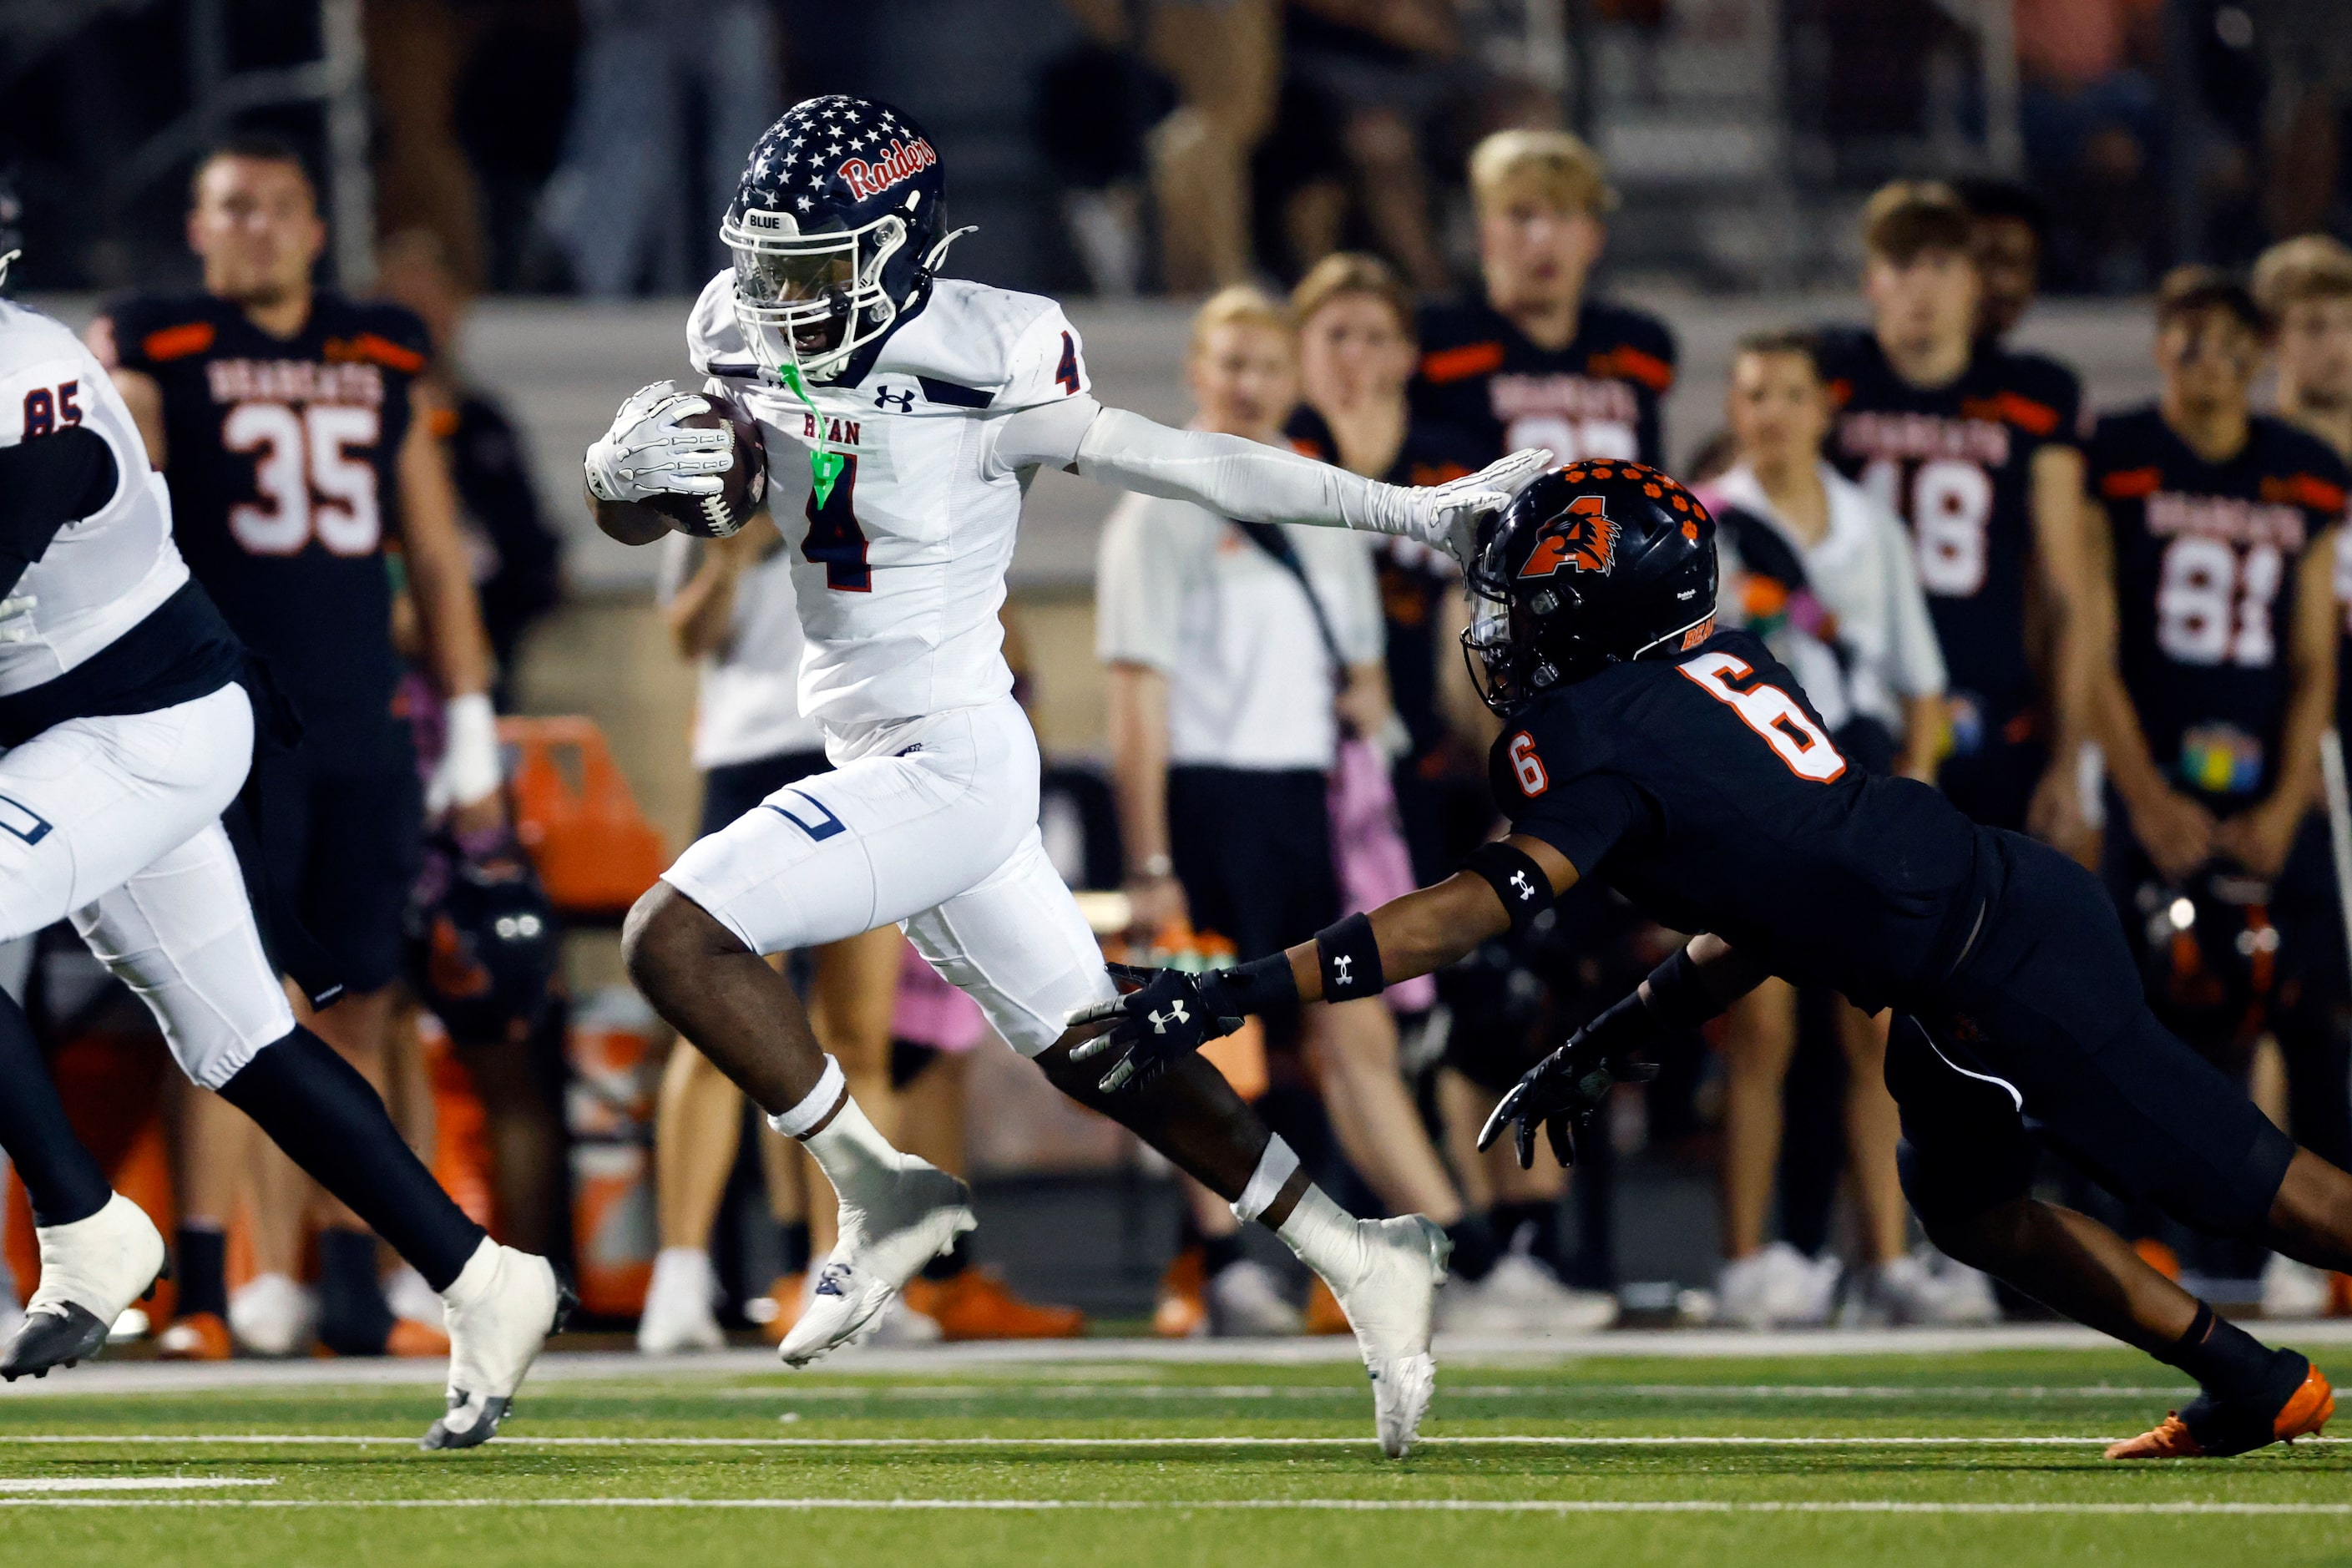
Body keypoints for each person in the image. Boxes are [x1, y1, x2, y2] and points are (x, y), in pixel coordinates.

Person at [593, 95, 1545, 1458]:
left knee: (670, 934)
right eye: (767, 265)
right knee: (1104, 1053)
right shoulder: (735, 322)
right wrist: (616, 480)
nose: (780, 300)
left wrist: (1406, 513)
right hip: (877, 746)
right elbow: (673, 505)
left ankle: (877, 1189)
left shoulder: (995, 345)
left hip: (956, 755)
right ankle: (1360, 1248)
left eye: (814, 269)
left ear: (902, 246)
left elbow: (1184, 462)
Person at [1085, 459, 2352, 1462]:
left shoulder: (1592, 730)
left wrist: (1236, 991)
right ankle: (2252, 1380)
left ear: (1590, 614)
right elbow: (1773, 905)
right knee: (1973, 1211)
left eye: (1525, 605)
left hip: (2007, 967)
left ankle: (2257, 1371)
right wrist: (1616, 1032)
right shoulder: (1714, 665)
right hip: (1972, 938)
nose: (1501, 633)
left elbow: (1470, 908)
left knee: (2270, 1192)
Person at [0, 213, 559, 1449]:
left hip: (146, 723)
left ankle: (86, 1227)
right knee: (243, 1041)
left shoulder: (26, 378)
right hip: (83, 733)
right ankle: (482, 1277)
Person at [89, 135, 511, 1361]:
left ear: (319, 227)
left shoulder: (377, 349)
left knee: (362, 1004)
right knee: (218, 1000)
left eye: (279, 207)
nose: (258, 229)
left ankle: (343, 1277)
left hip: (359, 720)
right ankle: (218, 1284)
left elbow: (432, 551)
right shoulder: (156, 342)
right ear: (196, 226)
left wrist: (471, 731)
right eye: (235, 208)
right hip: (217, 724)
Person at [1285, 252, 1613, 1330]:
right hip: (1317, 777)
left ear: (1409, 354)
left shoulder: (1447, 471)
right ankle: (1444, 1255)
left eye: (1375, 335)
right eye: (1335, 334)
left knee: (1488, 1003)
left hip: (1437, 771)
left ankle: (1512, 1250)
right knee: (1352, 1019)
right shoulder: (1277, 456)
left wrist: (1510, 773)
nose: (1355, 358)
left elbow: (1494, 634)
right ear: (1303, 349)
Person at [1407, 127, 1676, 1297]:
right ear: (1482, 231)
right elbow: (1454, 550)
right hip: (1494, 665)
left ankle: (1549, 1236)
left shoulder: (1639, 350)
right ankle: (1503, 1233)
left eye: (1556, 214)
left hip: (1615, 694)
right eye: (1514, 214)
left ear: (1593, 233)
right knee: (1486, 966)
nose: (1537, 238)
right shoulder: (1449, 347)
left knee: (1581, 975)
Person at [1699, 330, 1988, 1328]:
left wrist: (1912, 804)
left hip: (1856, 792)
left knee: (1872, 1036)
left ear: (1825, 408)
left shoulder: (1872, 525)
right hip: (1753, 799)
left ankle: (1885, 1255)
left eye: (1788, 392)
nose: (1769, 412)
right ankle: (1743, 1263)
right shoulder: (1708, 528)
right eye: (1752, 393)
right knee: (1761, 1028)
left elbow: (1922, 683)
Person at [2081, 268, 2348, 1295]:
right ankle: (2136, 1234)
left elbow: (2315, 650)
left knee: (2313, 1002)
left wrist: (2287, 799)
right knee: (2125, 1010)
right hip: (2155, 763)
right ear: (2161, 350)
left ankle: (2337, 1248)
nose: (2209, 360)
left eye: (2230, 341)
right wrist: (2144, 794)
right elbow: (2092, 638)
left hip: (2272, 771)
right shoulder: (2125, 457)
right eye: (2187, 339)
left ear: (2260, 354)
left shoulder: (2306, 467)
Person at [637, 517, 906, 1353]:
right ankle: (679, 1277)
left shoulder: (875, 455)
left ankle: (858, 1273)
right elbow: (689, 636)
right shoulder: (723, 459)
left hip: (861, 753)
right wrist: (727, 556)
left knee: (858, 1033)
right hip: (749, 753)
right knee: (717, 1030)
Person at [1818, 182, 2100, 852]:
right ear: (1870, 282)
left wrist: (2068, 763)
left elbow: (2066, 592)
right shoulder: (1826, 378)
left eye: (1941, 266)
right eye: (1901, 265)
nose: (1920, 289)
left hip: (1994, 710)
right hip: (1849, 705)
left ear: (1975, 283)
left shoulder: (2031, 395)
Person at [2253, 235, 2352, 1317]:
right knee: (2292, 988)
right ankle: (2300, 1225)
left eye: (2335, 320)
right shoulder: (2265, 458)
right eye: (2305, 323)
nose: (2323, 344)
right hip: (2287, 735)